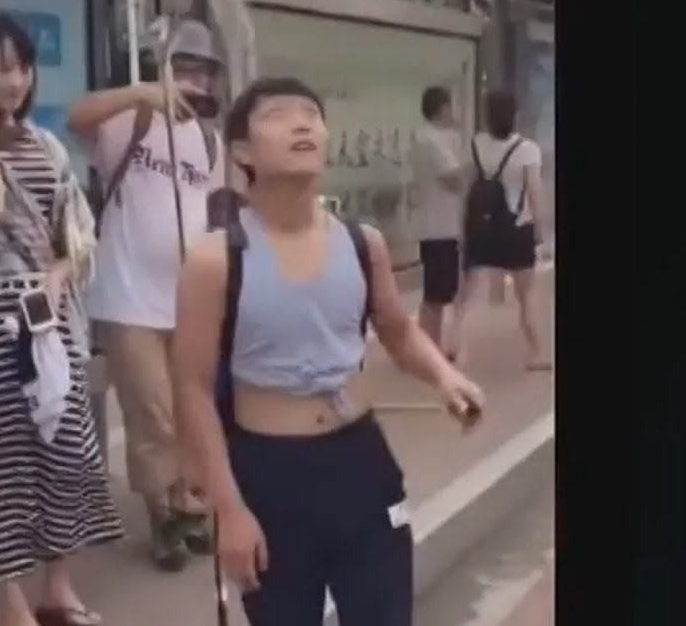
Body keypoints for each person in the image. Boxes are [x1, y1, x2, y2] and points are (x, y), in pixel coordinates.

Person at [171, 77, 486, 626]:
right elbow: (192, 390)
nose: (301, 123)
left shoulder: (363, 243)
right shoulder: (215, 261)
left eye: (311, 115)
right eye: (277, 115)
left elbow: (396, 329)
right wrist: (230, 510)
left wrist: (443, 377)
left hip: (361, 463)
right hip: (270, 474)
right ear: (242, 151)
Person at [0, 12, 123, 626]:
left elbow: (80, 233)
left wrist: (61, 275)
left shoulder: (47, 145)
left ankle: (57, 589)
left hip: (52, 325)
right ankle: (10, 603)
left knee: (66, 458)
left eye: (23, 67)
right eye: (0, 67)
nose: (15, 81)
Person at [66, 19, 224, 572]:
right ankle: (161, 515)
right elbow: (75, 115)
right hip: (128, 296)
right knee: (152, 410)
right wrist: (142, 95)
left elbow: (216, 208)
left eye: (202, 71)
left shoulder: (209, 138)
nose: (193, 80)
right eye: (183, 68)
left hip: (187, 298)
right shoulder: (126, 123)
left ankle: (187, 504)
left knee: (188, 408)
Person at [451, 90, 551, 370]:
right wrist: (539, 230)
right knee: (526, 294)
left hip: (481, 227)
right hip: (517, 229)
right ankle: (537, 353)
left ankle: (459, 351)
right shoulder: (527, 149)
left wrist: (464, 225)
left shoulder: (476, 144)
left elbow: (468, 188)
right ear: (515, 115)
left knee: (468, 295)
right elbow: (534, 191)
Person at [409, 86, 467, 360]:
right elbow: (454, 180)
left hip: (432, 223)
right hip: (440, 226)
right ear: (442, 108)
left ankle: (429, 346)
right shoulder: (433, 142)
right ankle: (428, 349)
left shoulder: (424, 138)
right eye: (451, 106)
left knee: (435, 292)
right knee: (437, 293)